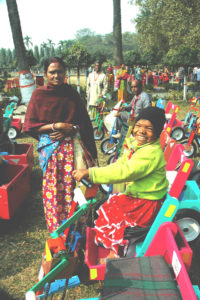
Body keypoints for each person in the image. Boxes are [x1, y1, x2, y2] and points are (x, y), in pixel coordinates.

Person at [73, 107, 169, 256]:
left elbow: (124, 172)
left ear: (157, 132)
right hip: (139, 197)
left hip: (146, 203)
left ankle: (115, 252)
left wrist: (91, 173)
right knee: (109, 206)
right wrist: (95, 173)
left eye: (148, 128)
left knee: (112, 215)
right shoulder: (139, 146)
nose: (141, 131)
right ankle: (108, 242)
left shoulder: (151, 153)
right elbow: (120, 164)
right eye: (138, 125)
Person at [23, 56, 97, 234]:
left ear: (65, 73)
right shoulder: (38, 95)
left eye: (60, 71)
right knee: (54, 188)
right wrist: (57, 126)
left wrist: (71, 128)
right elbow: (30, 126)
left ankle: (77, 224)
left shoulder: (71, 93)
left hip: (72, 149)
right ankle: (57, 227)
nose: (57, 75)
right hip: (52, 151)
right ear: (45, 73)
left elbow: (84, 122)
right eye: (52, 72)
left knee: (75, 186)